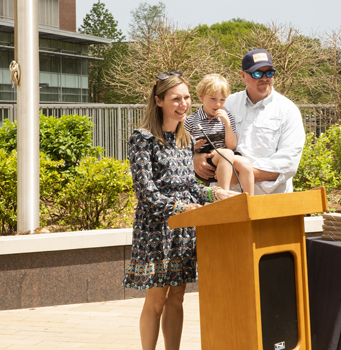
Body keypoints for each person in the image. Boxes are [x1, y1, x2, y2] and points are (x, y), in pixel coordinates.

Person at [123, 70, 236, 350]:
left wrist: (214, 192)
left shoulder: (186, 140)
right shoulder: (142, 138)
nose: (183, 104)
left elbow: (190, 187)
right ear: (159, 100)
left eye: (186, 98)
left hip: (184, 231)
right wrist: (181, 206)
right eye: (176, 98)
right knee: (157, 301)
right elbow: (146, 193)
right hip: (156, 231)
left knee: (177, 299)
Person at [193, 49, 305, 195]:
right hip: (224, 202)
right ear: (243, 76)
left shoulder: (288, 110)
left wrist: (240, 174)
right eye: (257, 73)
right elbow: (198, 134)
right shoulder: (226, 104)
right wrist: (196, 157)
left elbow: (288, 162)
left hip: (270, 203)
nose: (264, 78)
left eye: (269, 73)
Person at [184, 74, 254, 196]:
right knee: (226, 153)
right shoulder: (191, 121)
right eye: (213, 99)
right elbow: (181, 148)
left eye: (222, 100)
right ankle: (223, 197)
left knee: (245, 163)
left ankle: (250, 203)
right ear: (201, 96)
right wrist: (194, 147)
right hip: (206, 159)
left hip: (225, 158)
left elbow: (231, 146)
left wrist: (227, 123)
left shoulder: (227, 117)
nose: (218, 105)